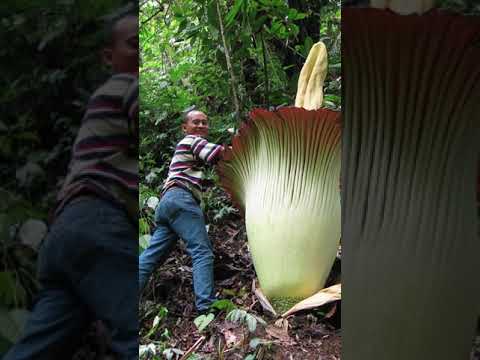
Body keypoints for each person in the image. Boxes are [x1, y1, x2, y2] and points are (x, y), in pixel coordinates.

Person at [4, 12, 139, 360]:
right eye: (134, 45)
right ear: (109, 57)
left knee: (39, 347)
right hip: (99, 224)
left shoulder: (102, 99)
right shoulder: (129, 86)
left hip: (64, 233)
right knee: (134, 330)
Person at [139, 110, 225, 314]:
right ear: (184, 128)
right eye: (196, 122)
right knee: (202, 252)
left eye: (205, 122)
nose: (202, 126)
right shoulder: (191, 141)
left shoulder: (189, 148)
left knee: (150, 257)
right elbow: (218, 154)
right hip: (181, 200)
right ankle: (206, 309)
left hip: (167, 204)